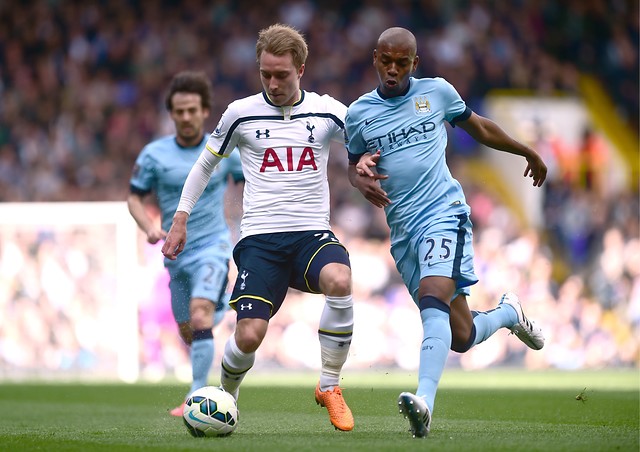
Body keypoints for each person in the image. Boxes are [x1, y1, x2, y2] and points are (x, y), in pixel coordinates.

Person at [345, 27, 547, 438]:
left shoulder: (436, 93)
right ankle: (509, 312)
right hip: (402, 231)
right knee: (460, 335)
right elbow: (355, 165)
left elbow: (479, 127)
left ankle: (424, 402)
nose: (394, 69)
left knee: (433, 297)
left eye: (403, 62)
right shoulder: (358, 114)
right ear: (375, 59)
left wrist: (525, 149)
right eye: (387, 61)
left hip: (443, 212)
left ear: (414, 64)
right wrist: (359, 178)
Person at [161, 24, 355, 432]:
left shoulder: (328, 111)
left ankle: (330, 385)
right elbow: (204, 165)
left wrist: (367, 170)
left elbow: (363, 149)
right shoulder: (241, 113)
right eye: (265, 74)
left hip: (310, 234)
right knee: (249, 336)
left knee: (340, 279)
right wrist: (180, 220)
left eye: (281, 74)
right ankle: (226, 397)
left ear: (301, 68)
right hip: (260, 242)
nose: (272, 82)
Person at [128, 71, 244, 416]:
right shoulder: (153, 155)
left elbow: (249, 184)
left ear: (204, 111)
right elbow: (134, 197)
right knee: (188, 328)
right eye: (179, 111)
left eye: (192, 110)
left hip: (213, 246)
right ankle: (217, 308)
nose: (186, 117)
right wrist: (148, 226)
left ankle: (196, 395)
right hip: (175, 255)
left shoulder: (221, 151)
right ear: (171, 114)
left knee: (199, 315)